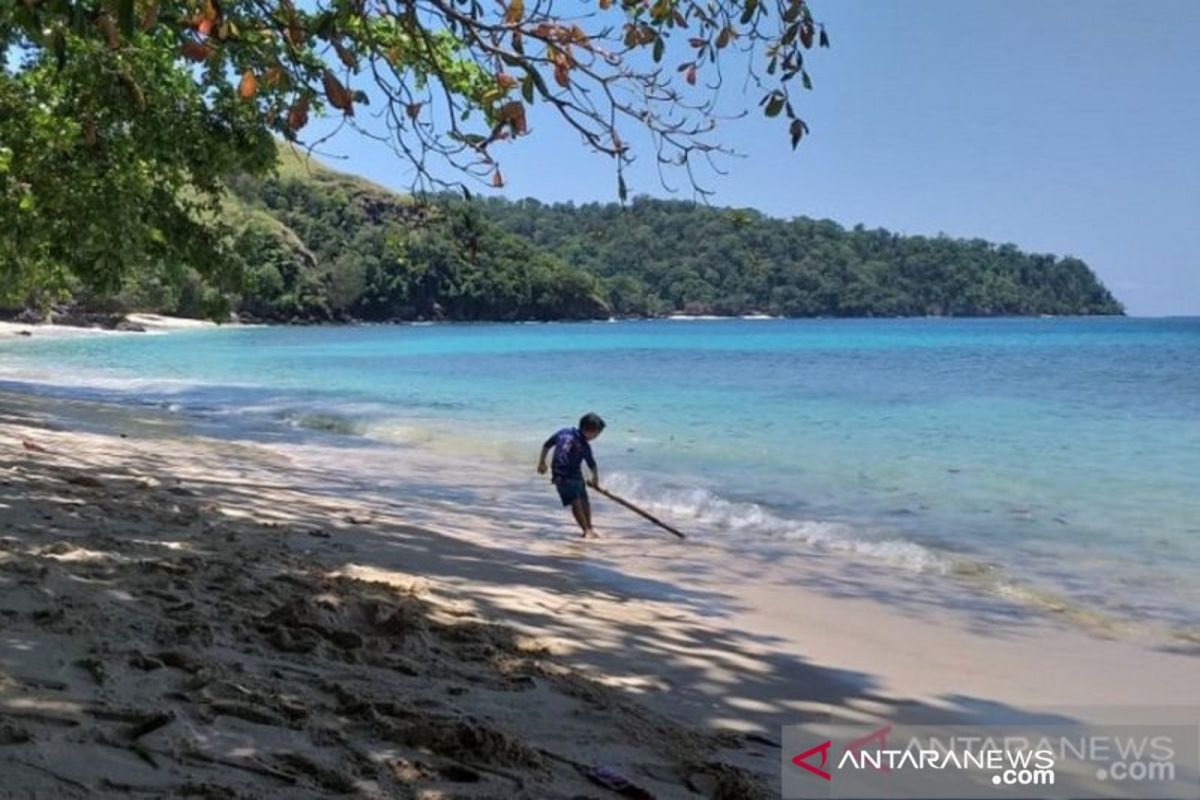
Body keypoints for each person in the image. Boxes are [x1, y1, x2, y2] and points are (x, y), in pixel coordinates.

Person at [537, 412, 605, 538]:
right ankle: (587, 529)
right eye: (597, 434)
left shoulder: (563, 432)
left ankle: (588, 528)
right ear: (589, 431)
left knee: (580, 500)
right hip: (565, 476)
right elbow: (591, 463)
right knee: (578, 501)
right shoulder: (584, 445)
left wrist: (542, 462)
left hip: (562, 473)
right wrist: (595, 477)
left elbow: (546, 445)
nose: (596, 437)